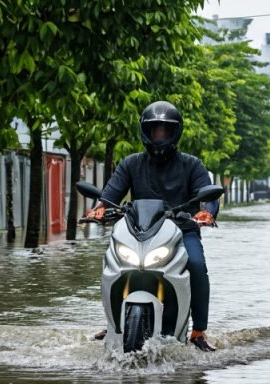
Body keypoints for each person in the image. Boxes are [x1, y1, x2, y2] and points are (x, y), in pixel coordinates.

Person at [87, 101, 219, 352]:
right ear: (145, 132)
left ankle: (198, 331)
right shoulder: (131, 163)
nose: (159, 135)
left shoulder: (192, 164)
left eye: (165, 130)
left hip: (182, 231)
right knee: (112, 263)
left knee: (197, 265)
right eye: (154, 130)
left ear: (175, 132)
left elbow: (208, 195)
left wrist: (206, 213)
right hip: (139, 231)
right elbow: (110, 194)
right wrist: (100, 208)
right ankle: (113, 322)